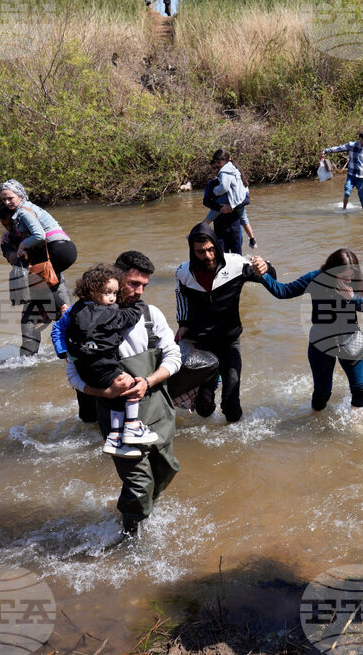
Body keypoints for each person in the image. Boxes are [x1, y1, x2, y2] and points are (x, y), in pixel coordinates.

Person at [66, 251, 182, 539]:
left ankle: (144, 514)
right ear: (116, 279)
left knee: (166, 470)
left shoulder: (150, 315)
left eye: (144, 285)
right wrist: (103, 391)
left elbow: (174, 356)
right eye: (132, 283)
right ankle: (131, 537)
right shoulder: (85, 317)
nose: (138, 291)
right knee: (139, 483)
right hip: (116, 417)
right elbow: (73, 373)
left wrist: (148, 380)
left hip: (158, 410)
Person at [175, 223, 273, 423]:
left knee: (231, 404)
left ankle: (236, 445)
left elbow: (269, 277)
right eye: (200, 252)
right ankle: (212, 379)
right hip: (200, 343)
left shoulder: (235, 264)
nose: (208, 256)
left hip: (229, 341)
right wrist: (183, 322)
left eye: (211, 249)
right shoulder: (184, 272)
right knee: (203, 408)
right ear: (193, 252)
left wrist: (265, 267)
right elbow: (180, 297)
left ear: (217, 246)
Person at [258, 248, 363, 411]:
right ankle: (314, 419)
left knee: (361, 389)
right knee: (323, 393)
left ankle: (356, 425)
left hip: (352, 338)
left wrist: (353, 299)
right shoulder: (315, 278)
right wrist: (262, 275)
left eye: (351, 275)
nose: (349, 279)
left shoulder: (356, 280)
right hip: (322, 341)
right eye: (344, 276)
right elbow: (283, 291)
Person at [66, 264, 158, 457]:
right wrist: (140, 305)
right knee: (129, 385)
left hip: (84, 367)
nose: (112, 298)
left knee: (116, 401)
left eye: (115, 294)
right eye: (107, 293)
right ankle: (132, 427)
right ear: (92, 291)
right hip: (101, 366)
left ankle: (114, 439)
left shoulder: (76, 310)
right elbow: (128, 317)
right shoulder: (105, 312)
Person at [0, 179, 77, 330]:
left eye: (10, 198)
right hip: (64, 248)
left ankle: (57, 311)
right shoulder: (29, 208)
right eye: (4, 199)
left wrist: (22, 245)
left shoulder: (23, 211)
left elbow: (39, 235)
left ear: (20, 195)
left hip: (59, 249)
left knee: (34, 279)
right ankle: (56, 311)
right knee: (44, 281)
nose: (7, 202)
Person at [0, 202, 57, 356]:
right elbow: (12, 258)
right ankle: (28, 363)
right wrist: (21, 250)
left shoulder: (34, 231)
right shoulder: (7, 239)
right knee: (28, 325)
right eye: (5, 225)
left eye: (11, 224)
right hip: (31, 285)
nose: (9, 228)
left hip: (50, 280)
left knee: (67, 316)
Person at [202, 149, 257, 254]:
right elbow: (206, 202)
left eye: (219, 167)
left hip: (234, 225)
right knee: (223, 256)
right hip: (219, 226)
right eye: (214, 168)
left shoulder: (234, 179)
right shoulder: (212, 184)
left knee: (237, 255)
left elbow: (246, 199)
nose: (217, 169)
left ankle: (252, 239)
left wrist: (231, 207)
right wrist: (220, 208)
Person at [321, 131, 363, 211]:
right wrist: (326, 151)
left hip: (361, 176)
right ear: (360, 139)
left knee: (362, 196)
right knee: (347, 192)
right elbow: (339, 148)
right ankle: (344, 210)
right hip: (351, 175)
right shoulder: (351, 145)